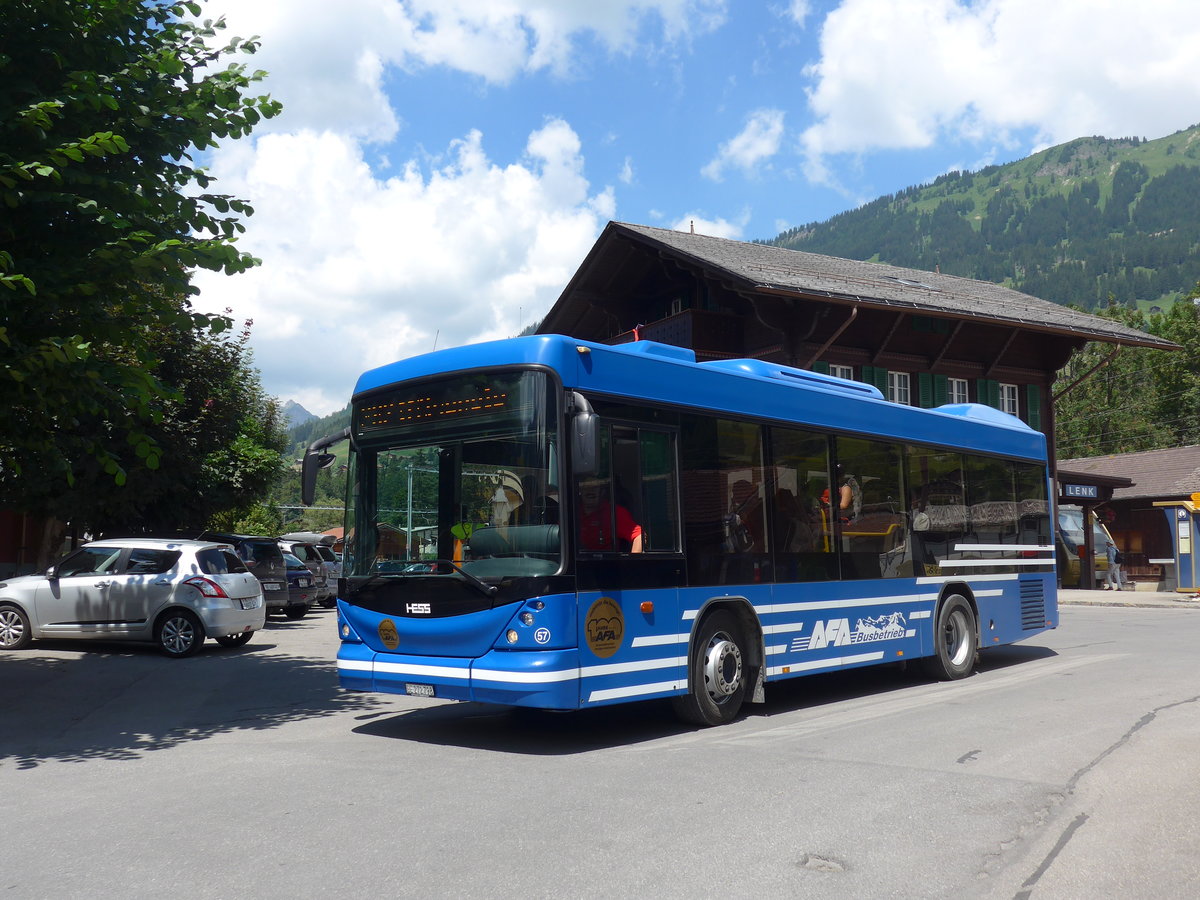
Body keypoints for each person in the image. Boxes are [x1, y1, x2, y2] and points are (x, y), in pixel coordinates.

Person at [578, 481, 642, 552]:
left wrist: (632, 562)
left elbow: (639, 536)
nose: (590, 490)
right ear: (580, 491)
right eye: (586, 487)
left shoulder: (614, 513)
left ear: (602, 492)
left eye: (595, 487)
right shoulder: (569, 512)